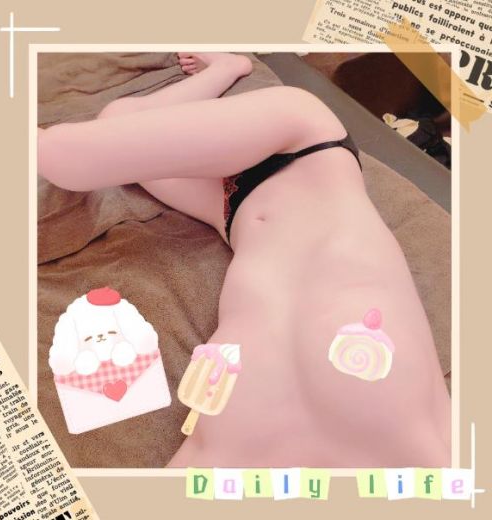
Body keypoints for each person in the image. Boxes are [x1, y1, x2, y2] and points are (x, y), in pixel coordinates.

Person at [38, 52, 451, 467]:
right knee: (85, 143)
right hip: (302, 145)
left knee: (112, 123)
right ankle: (227, 69)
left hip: (232, 212)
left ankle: (226, 69)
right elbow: (62, 159)